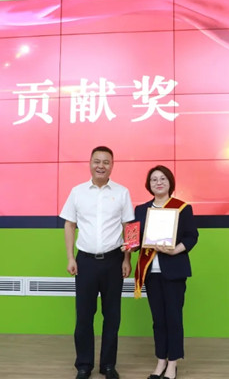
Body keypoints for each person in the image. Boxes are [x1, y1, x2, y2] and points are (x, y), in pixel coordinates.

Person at [60, 146, 134, 379]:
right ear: (90, 163)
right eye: (97, 161)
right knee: (84, 315)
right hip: (86, 262)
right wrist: (70, 257)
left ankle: (108, 365)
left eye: (106, 162)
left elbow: (129, 227)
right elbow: (69, 224)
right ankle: (84, 365)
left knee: (112, 316)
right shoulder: (77, 192)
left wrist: (127, 259)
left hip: (113, 261)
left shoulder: (122, 192)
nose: (101, 165)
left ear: (112, 165)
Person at [133, 165, 199, 379]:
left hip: (174, 271)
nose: (158, 182)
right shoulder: (141, 210)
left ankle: (173, 363)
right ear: (148, 185)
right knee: (158, 319)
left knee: (173, 318)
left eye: (163, 178)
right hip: (151, 273)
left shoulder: (182, 208)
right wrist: (129, 245)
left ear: (170, 182)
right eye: (154, 179)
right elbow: (135, 238)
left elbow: (192, 236)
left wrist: (175, 250)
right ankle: (160, 360)